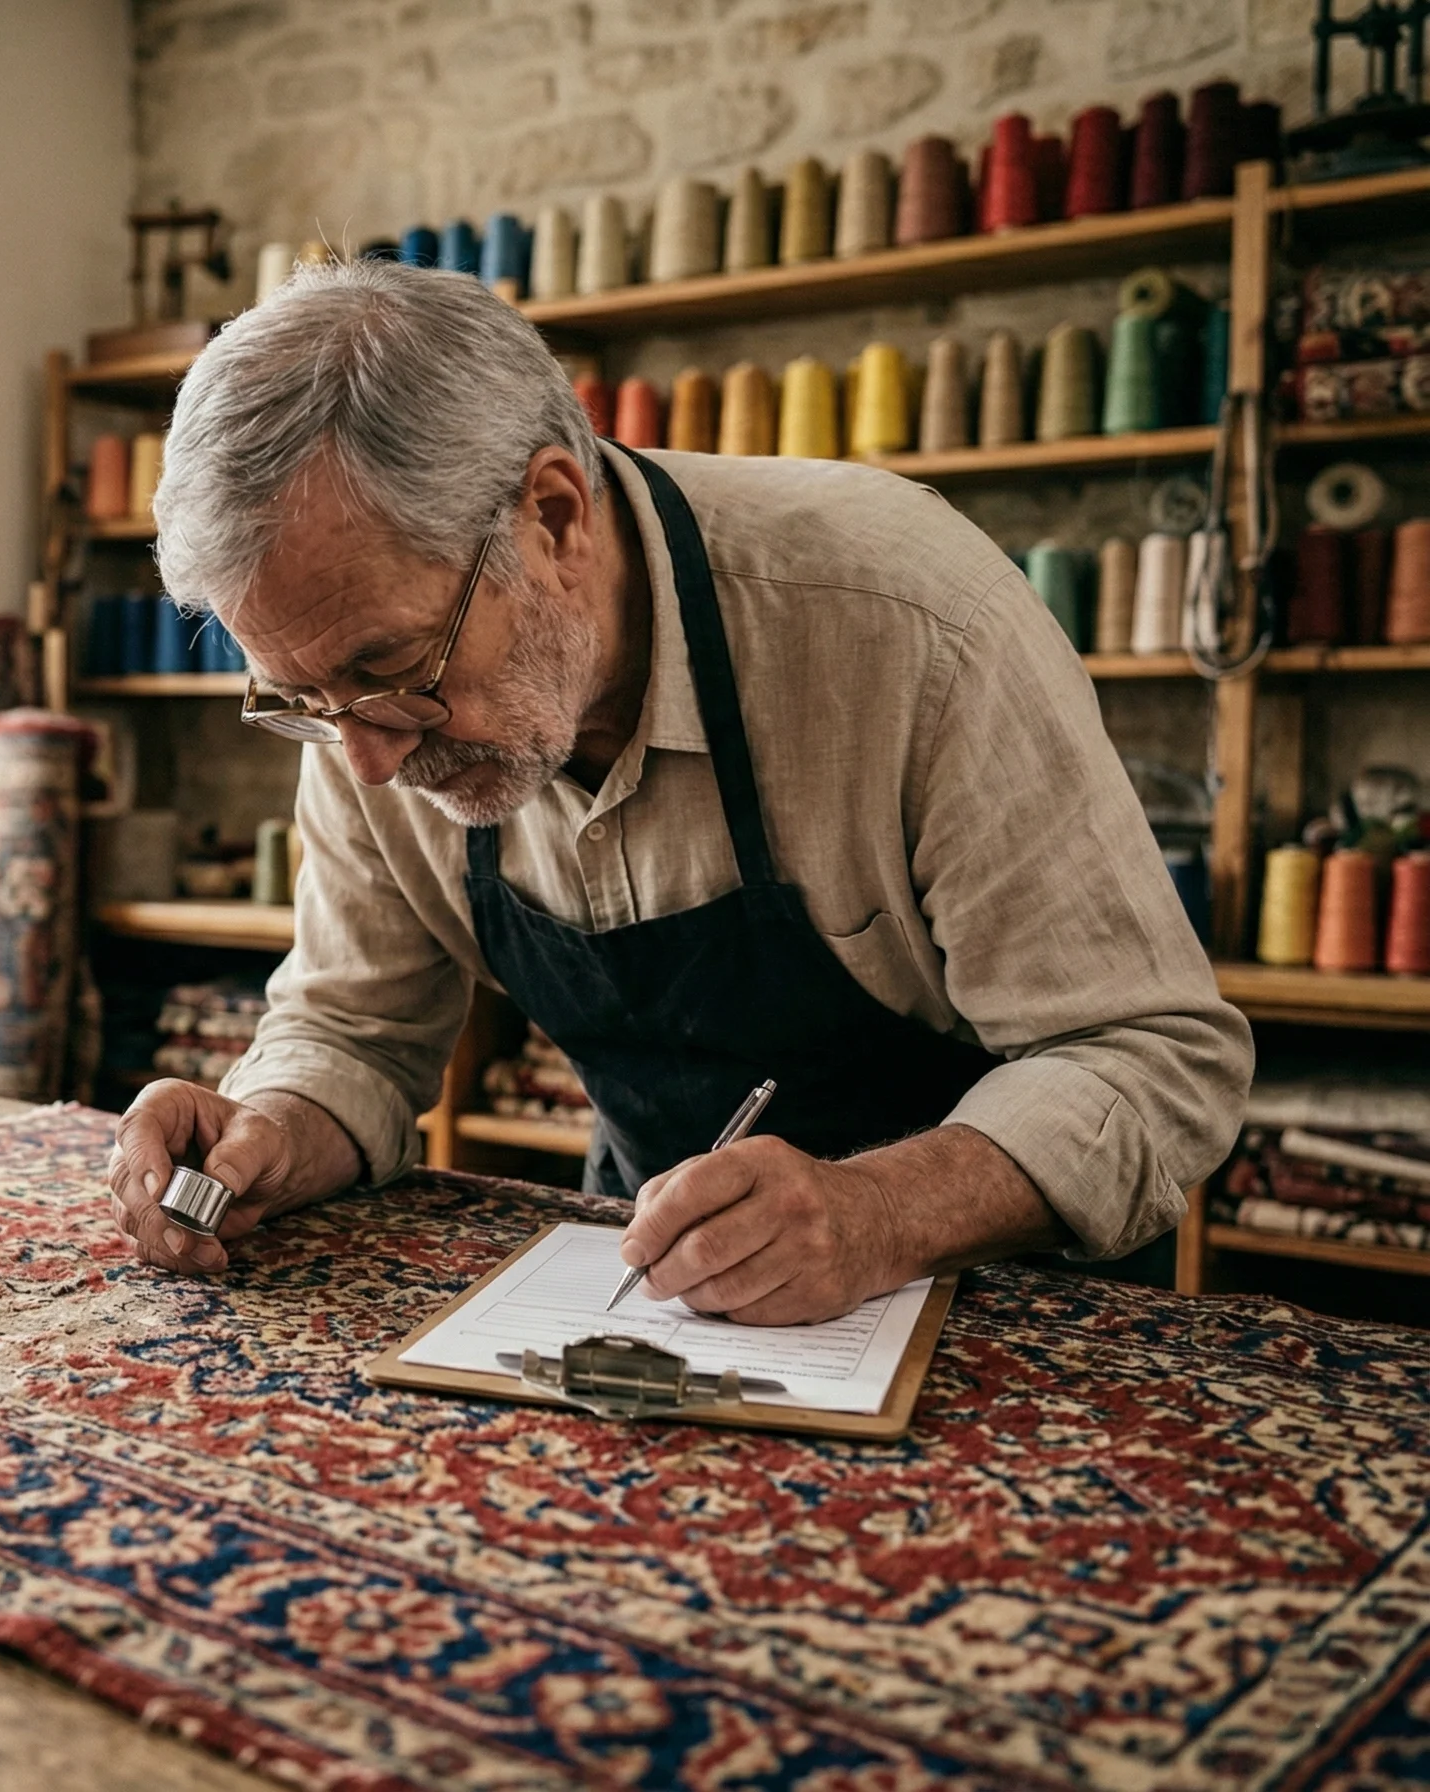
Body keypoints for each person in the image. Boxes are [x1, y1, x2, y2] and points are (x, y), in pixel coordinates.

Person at [106, 260, 1252, 1326]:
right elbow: (355, 1026)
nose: (365, 761)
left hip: (1011, 1308)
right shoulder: (358, 690)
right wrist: (270, 1132)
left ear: (553, 518)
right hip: (665, 1292)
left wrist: (879, 1214)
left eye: (388, 671)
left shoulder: (909, 622)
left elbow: (1145, 1057)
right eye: (300, 696)